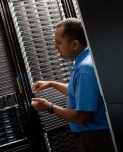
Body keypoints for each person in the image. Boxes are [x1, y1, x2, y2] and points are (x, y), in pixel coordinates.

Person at [31, 18, 115, 152]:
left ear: (75, 44)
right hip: (94, 137)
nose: (55, 47)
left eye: (58, 42)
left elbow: (82, 118)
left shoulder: (84, 69)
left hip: (96, 139)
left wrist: (49, 107)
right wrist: (52, 84)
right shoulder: (85, 60)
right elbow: (78, 92)